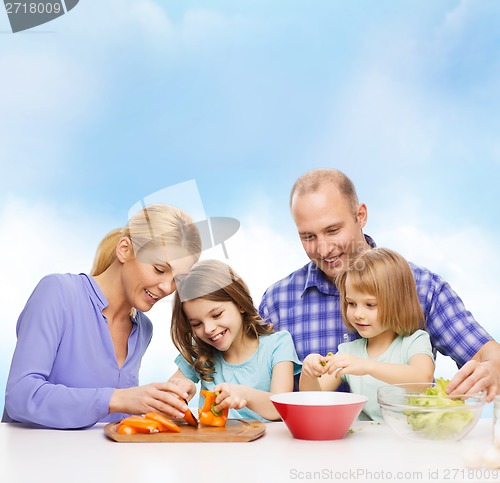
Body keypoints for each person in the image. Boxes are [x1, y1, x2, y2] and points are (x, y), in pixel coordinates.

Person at [259, 168, 500, 401]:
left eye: (333, 230)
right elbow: (251, 382)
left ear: (360, 215)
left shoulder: (423, 287)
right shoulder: (278, 301)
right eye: (308, 237)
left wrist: (493, 369)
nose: (323, 249)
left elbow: (485, 354)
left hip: (401, 436)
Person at [2, 204, 202, 429]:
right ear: (125, 249)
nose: (167, 287)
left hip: (104, 463)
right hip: (36, 460)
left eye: (178, 279)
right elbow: (20, 395)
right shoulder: (58, 293)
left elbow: (109, 421)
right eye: (158, 269)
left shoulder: (143, 329)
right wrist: (119, 399)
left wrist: (164, 401)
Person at [299, 247, 435, 420]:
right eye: (352, 303)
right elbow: (313, 398)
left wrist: (368, 366)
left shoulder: (414, 341)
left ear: (398, 303)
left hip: (409, 438)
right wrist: (308, 372)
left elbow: (423, 379)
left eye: (370, 305)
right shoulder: (349, 353)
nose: (358, 314)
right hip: (365, 442)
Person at [170, 259, 301, 422]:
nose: (209, 328)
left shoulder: (278, 344)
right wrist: (179, 392)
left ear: (240, 304)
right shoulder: (199, 350)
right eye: (197, 324)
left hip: (266, 445)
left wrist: (243, 394)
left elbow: (281, 408)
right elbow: (168, 398)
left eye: (216, 315)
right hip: (212, 445)